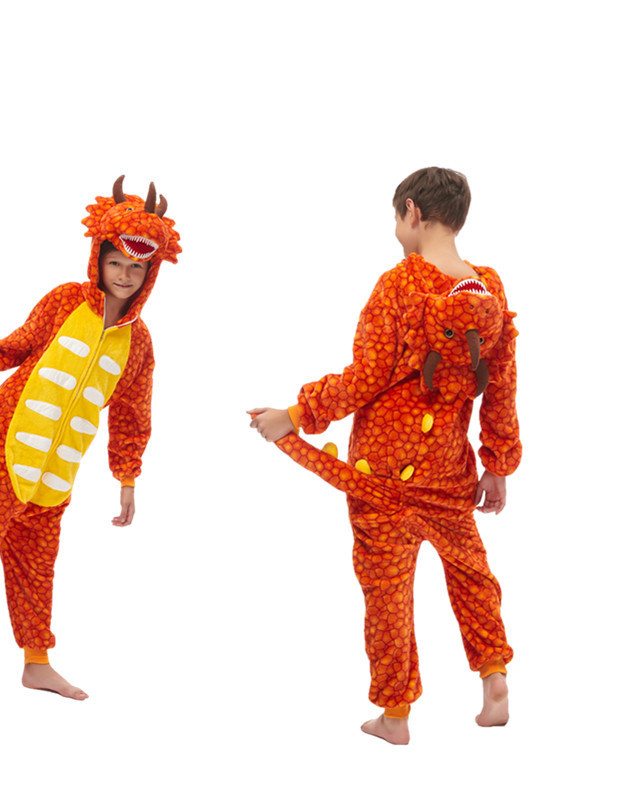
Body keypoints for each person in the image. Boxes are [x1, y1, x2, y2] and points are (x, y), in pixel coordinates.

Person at [249, 167, 520, 745]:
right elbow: (501, 387)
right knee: (471, 574)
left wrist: (294, 414)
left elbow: (364, 377)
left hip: (381, 472)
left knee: (387, 592)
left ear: (412, 212)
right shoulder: (490, 293)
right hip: (449, 472)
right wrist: (497, 464)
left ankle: (395, 716)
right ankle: (494, 675)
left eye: (397, 219)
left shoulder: (398, 286)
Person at [0, 176, 181, 710]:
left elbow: (132, 415)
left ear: (151, 273)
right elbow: (12, 349)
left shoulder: (139, 344)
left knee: (36, 569)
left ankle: (36, 663)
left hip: (54, 477)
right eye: (116, 262)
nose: (124, 275)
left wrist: (127, 478)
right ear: (98, 259)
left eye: (136, 267)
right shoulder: (64, 301)